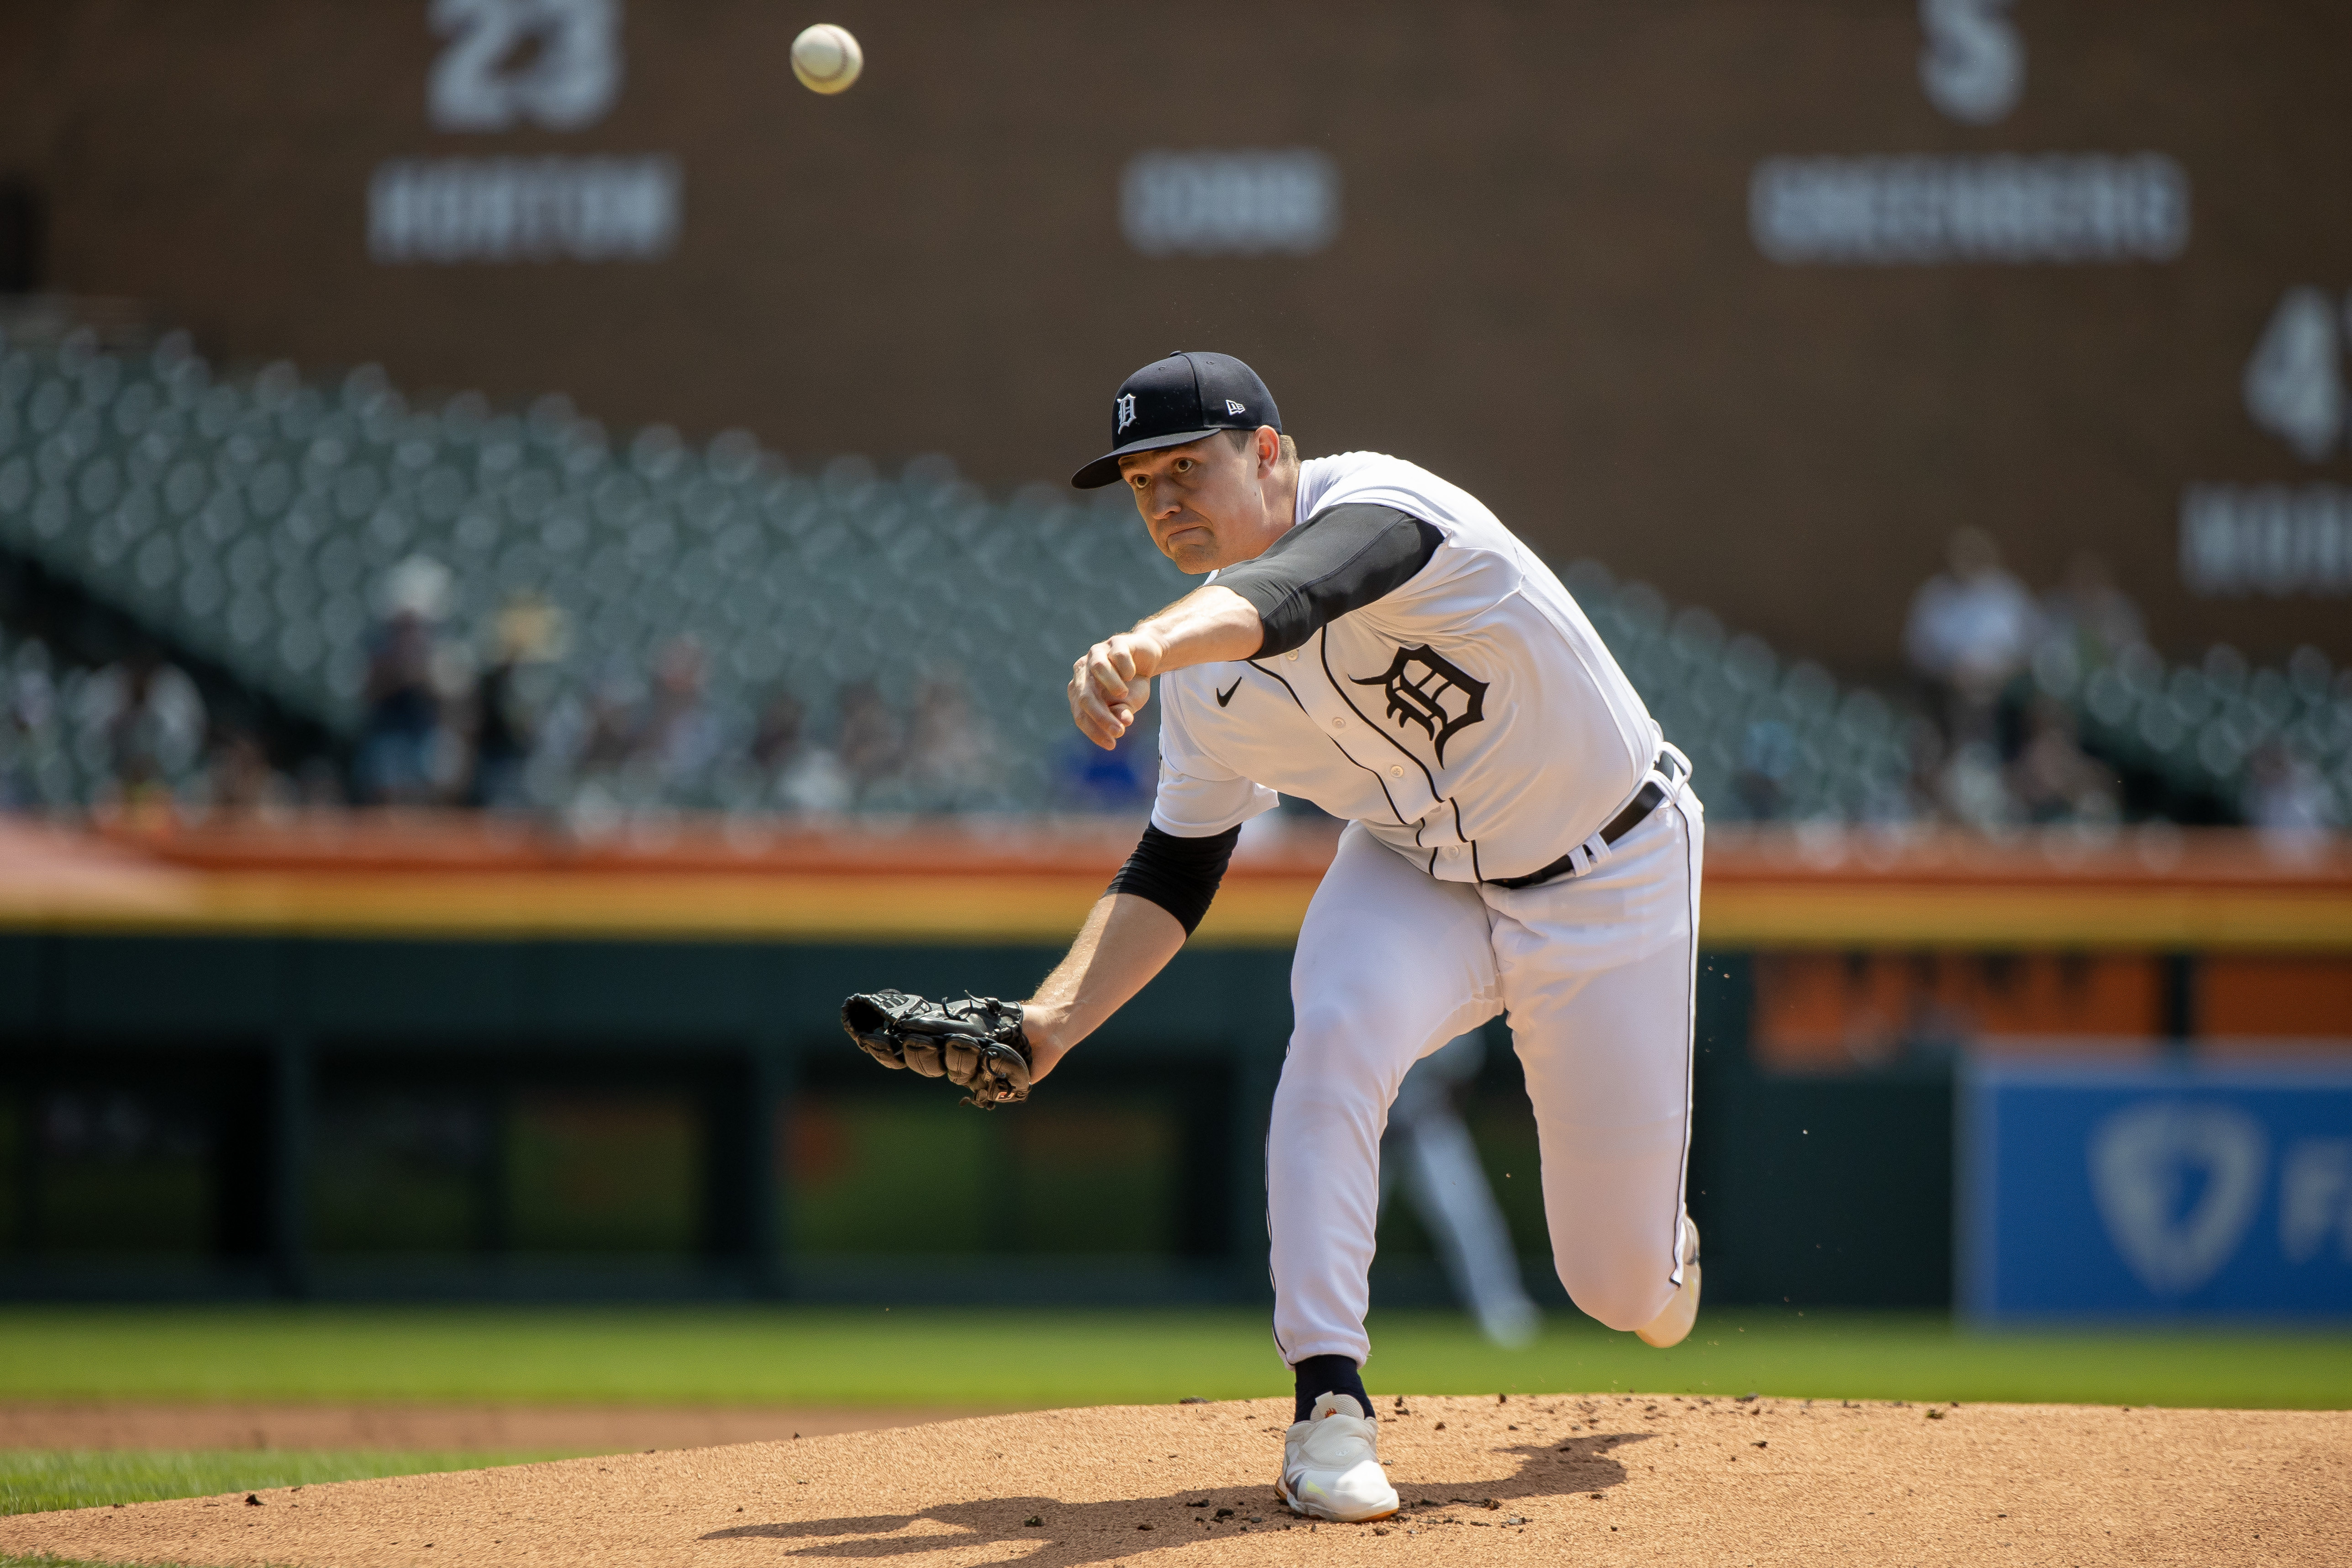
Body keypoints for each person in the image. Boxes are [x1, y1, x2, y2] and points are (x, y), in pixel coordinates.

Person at [847, 353, 1705, 1523]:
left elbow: (1297, 592)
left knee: (1613, 1290)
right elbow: (1176, 865)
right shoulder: (1207, 693)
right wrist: (1048, 1025)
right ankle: (1328, 1405)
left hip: (1610, 865)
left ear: (1268, 453)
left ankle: (1660, 1252)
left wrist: (1144, 649)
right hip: (1422, 871)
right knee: (1334, 1034)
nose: (1163, 502)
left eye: (1185, 467)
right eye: (1141, 485)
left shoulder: (1392, 508)